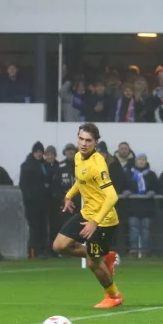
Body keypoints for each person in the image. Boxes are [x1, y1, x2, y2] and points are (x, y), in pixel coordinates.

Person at [51, 123, 122, 308]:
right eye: (81, 139)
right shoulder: (77, 157)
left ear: (96, 143)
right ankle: (105, 258)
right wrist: (69, 195)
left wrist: (94, 223)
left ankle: (114, 296)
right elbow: (81, 181)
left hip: (103, 220)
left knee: (92, 264)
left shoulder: (98, 165)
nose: (83, 143)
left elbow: (112, 196)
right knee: (59, 246)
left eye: (88, 140)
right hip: (86, 213)